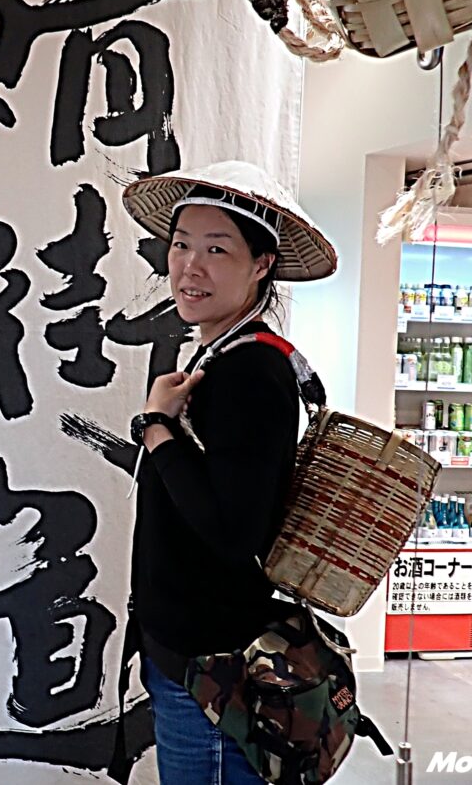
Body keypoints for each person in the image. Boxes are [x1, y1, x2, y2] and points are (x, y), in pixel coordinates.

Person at [117, 161, 338, 785]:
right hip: (195, 654)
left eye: (217, 250)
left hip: (211, 666)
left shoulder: (247, 373)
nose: (191, 267)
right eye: (181, 245)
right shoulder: (225, 356)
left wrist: (156, 427)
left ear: (261, 264)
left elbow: (233, 530)